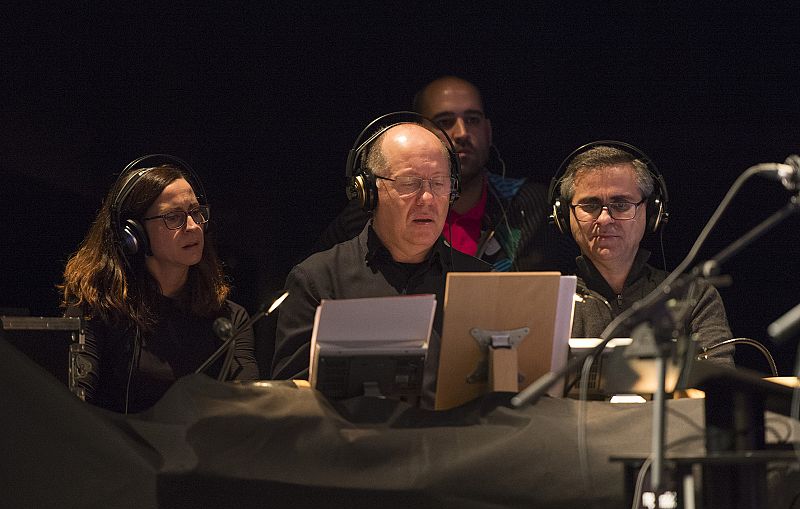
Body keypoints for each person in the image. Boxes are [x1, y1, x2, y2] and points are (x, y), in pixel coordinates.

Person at [272, 121, 491, 401]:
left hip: (453, 442)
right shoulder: (318, 280)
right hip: (352, 441)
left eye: (439, 183)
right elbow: (290, 399)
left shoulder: (478, 281)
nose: (427, 199)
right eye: (410, 183)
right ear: (368, 191)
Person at [316, 75, 578, 273]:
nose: (462, 133)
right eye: (445, 122)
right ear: (417, 131)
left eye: (472, 120)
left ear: (488, 132)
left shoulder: (531, 204)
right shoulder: (374, 208)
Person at [60, 157, 259, 413]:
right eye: (174, 217)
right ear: (133, 233)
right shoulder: (95, 309)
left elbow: (250, 408)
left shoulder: (229, 318)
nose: (193, 226)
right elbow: (73, 405)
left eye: (196, 212)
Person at [553, 144, 734, 364]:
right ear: (563, 215)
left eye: (620, 204)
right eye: (590, 205)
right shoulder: (545, 301)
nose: (604, 219)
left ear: (651, 212)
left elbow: (715, 389)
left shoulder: (694, 296)